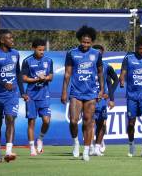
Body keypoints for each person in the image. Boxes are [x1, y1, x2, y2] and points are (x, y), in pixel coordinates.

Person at [61, 26, 104, 161]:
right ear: (79, 40)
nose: (85, 45)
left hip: (91, 93)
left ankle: (86, 151)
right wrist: (64, 91)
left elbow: (100, 72)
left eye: (88, 42)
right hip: (76, 92)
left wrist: (102, 90)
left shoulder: (96, 54)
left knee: (88, 122)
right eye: (83, 42)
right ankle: (75, 143)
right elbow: (67, 74)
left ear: (91, 42)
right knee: (73, 121)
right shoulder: (71, 53)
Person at [0, 29, 28, 163]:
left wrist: (23, 92)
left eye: (12, 38)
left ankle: (8, 152)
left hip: (12, 95)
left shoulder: (15, 54)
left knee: (10, 119)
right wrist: (3, 83)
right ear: (2, 40)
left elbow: (18, 73)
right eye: (9, 38)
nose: (12, 40)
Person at [21, 39, 53, 156]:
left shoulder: (48, 61)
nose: (42, 52)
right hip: (31, 95)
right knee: (31, 122)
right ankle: (31, 148)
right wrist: (36, 79)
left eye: (43, 50)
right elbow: (23, 78)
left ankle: (40, 138)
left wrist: (45, 78)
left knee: (46, 120)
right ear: (33, 48)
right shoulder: (27, 61)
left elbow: (51, 76)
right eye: (39, 50)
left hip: (44, 94)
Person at [89, 44, 118, 156]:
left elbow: (114, 80)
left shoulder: (106, 67)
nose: (98, 55)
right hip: (89, 99)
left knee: (101, 124)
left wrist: (110, 96)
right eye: (96, 52)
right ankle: (90, 147)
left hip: (101, 101)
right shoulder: (86, 66)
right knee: (89, 124)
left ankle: (97, 146)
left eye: (100, 53)